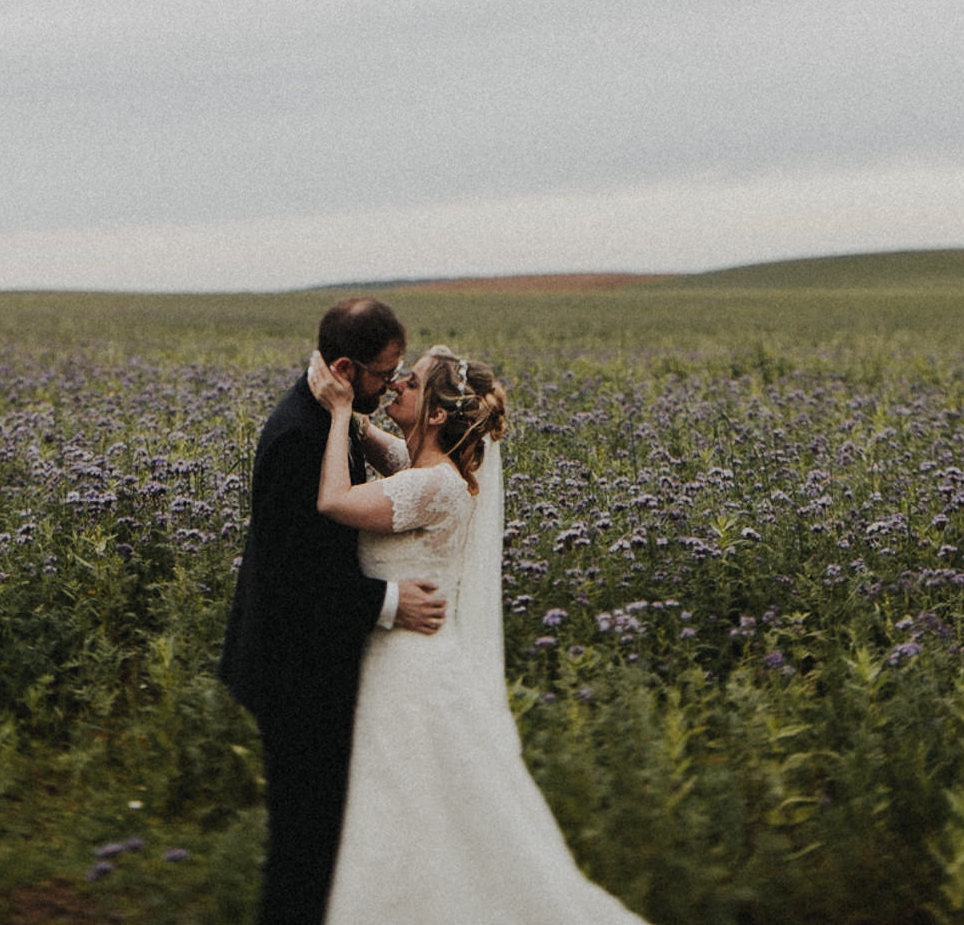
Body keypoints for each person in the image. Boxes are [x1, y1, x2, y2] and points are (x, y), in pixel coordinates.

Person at [305, 343, 646, 924]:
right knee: (426, 814)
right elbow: (389, 450)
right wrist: (348, 400)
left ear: (437, 414)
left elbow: (334, 500)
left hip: (406, 669)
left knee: (405, 811)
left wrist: (339, 416)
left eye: (408, 384)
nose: (395, 389)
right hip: (413, 658)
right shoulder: (428, 469)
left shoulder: (432, 486)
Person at [221, 297, 448, 925]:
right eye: (384, 373)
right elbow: (297, 579)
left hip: (306, 661)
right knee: (306, 842)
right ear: (345, 369)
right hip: (294, 670)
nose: (394, 383)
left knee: (321, 833)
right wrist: (392, 601)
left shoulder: (326, 418)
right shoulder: (301, 436)